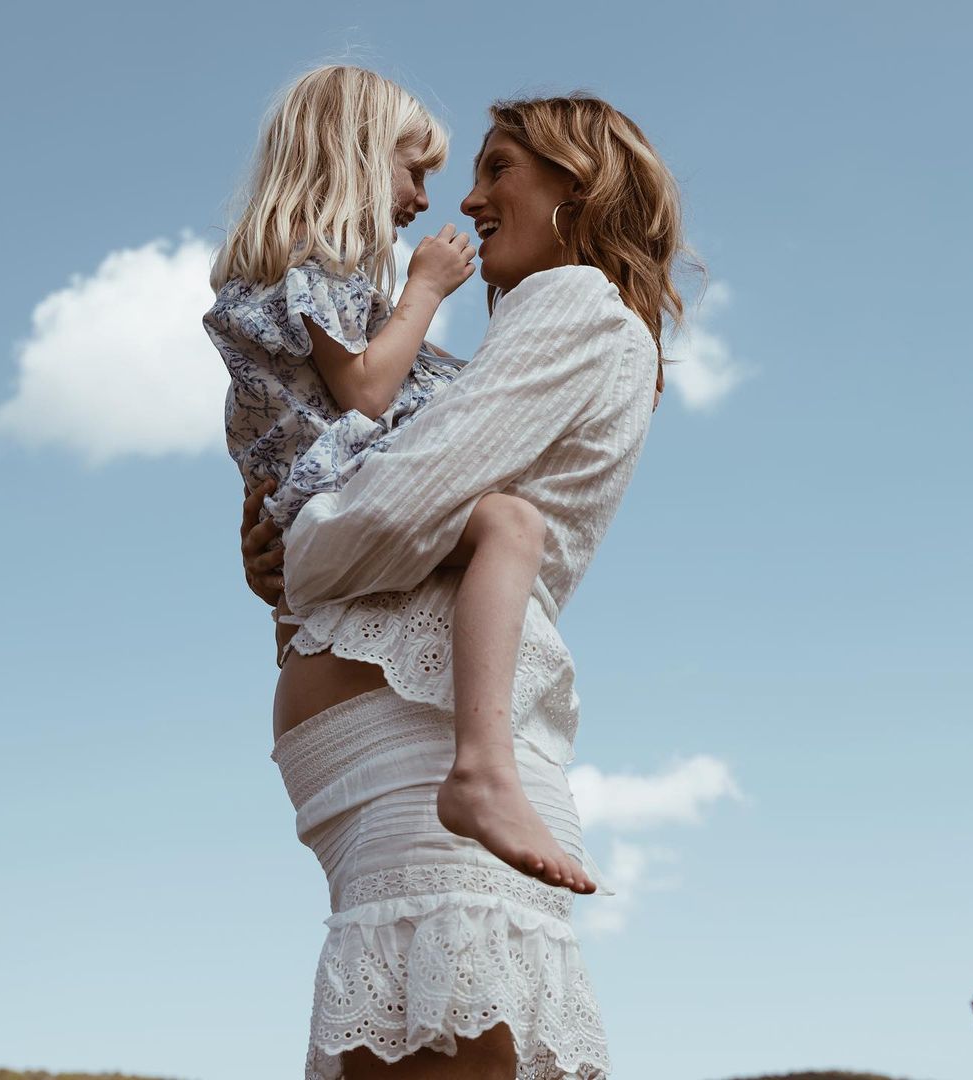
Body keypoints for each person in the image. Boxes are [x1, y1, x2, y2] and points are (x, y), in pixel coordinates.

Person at [242, 94, 699, 1079]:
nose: (469, 198)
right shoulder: (553, 326)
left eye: (499, 169)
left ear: (580, 184)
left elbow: (395, 509)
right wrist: (287, 556)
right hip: (402, 741)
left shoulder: (576, 303)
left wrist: (297, 548)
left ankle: (482, 778)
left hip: (426, 743)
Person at [204, 65, 594, 891]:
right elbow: (369, 391)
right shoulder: (312, 273)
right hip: (336, 496)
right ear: (352, 153)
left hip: (318, 525)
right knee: (511, 526)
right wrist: (424, 288)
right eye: (414, 170)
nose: (424, 198)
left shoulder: (308, 282)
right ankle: (483, 767)